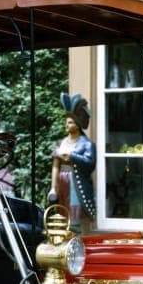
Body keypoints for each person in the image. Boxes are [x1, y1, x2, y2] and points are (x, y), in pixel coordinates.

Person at [48, 93, 96, 232]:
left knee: (78, 218)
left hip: (77, 184)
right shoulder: (62, 142)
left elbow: (90, 163)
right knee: (63, 215)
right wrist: (53, 187)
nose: (67, 125)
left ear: (77, 124)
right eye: (67, 122)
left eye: (70, 122)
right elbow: (55, 166)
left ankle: (79, 240)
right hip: (63, 184)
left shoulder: (87, 144)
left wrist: (73, 155)